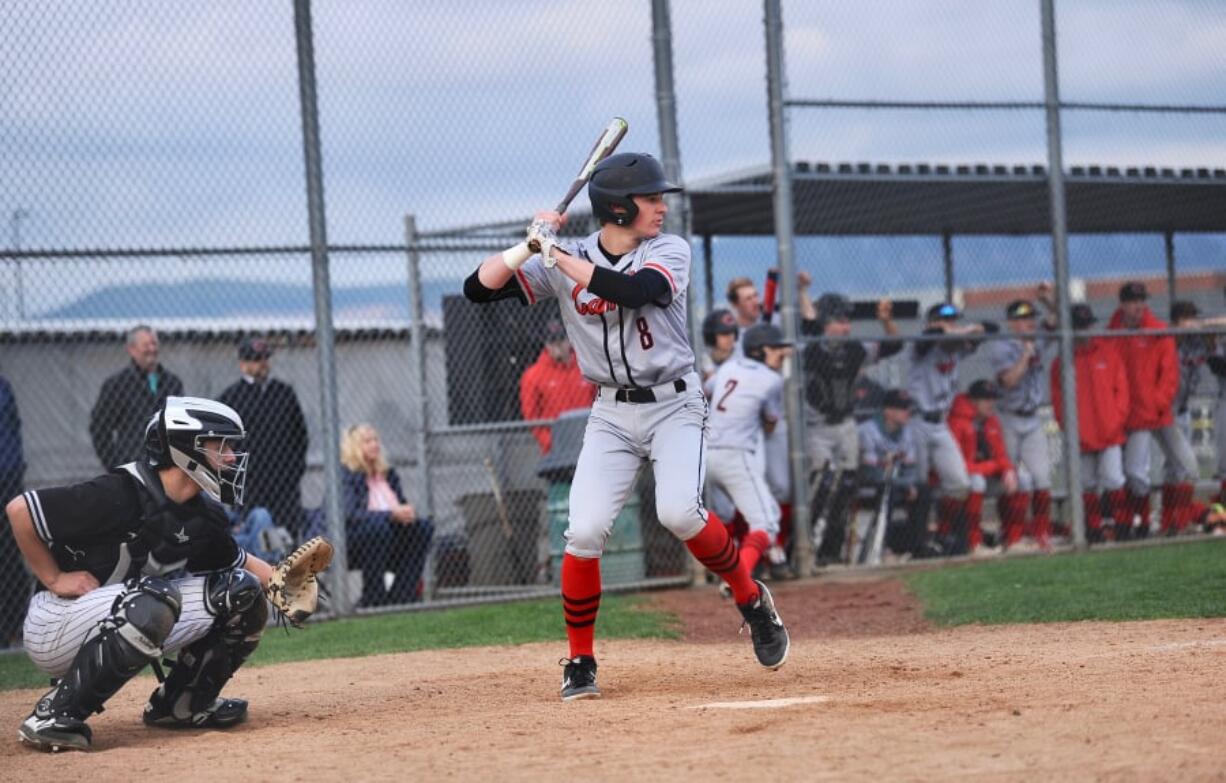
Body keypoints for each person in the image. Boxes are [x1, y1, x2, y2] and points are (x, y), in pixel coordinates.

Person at [462, 151, 789, 701]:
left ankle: (750, 597)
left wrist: (556, 255)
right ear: (617, 208)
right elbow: (478, 289)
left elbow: (633, 291)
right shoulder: (567, 256)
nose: (661, 207)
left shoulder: (669, 250)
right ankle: (580, 661)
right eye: (650, 199)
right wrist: (528, 245)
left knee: (679, 512)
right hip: (611, 412)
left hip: (674, 405)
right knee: (584, 531)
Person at [8, 397, 274, 752]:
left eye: (231, 447)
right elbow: (20, 511)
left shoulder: (203, 515)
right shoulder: (119, 492)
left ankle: (181, 705)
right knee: (156, 597)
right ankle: (52, 715)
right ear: (184, 447)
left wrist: (285, 581)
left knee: (242, 591)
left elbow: (237, 562)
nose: (230, 457)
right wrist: (55, 578)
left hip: (129, 609)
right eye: (220, 445)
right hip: (56, 622)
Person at [798, 289, 901, 565]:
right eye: (838, 322)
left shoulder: (854, 349)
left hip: (845, 426)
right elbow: (807, 324)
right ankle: (809, 549)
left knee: (845, 486)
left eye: (847, 322)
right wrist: (803, 292)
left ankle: (833, 551)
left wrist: (886, 321)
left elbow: (895, 345)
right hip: (816, 428)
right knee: (819, 487)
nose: (845, 327)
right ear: (825, 324)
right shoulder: (808, 349)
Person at [1108, 282, 1194, 539]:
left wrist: (1157, 404)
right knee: (1135, 472)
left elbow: (1169, 376)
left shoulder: (1157, 331)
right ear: (1122, 304)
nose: (1138, 306)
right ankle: (1142, 523)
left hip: (1159, 413)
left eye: (1141, 300)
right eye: (1133, 301)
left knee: (1186, 465)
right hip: (1132, 416)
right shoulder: (1112, 334)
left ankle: (1174, 521)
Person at [705, 324, 792, 579]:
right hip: (735, 456)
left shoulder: (729, 367)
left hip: (705, 455)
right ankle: (739, 577)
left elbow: (707, 389)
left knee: (752, 514)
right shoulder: (772, 380)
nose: (781, 354)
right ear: (760, 350)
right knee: (766, 522)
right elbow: (771, 422)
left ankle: (769, 563)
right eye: (776, 349)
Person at [906, 302, 986, 555]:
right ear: (932, 322)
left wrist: (970, 329)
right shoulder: (923, 344)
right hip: (917, 421)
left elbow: (989, 330)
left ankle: (956, 540)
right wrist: (944, 330)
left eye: (954, 321)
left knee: (960, 483)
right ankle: (917, 545)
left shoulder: (957, 347)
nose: (951, 325)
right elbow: (930, 338)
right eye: (945, 321)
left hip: (940, 424)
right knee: (918, 485)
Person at [1051, 305, 1131, 542]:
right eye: (1079, 327)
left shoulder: (1108, 353)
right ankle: (1094, 528)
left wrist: (1115, 421)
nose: (1084, 331)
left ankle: (1122, 524)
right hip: (1081, 436)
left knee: (1114, 479)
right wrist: (1071, 429)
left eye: (1087, 326)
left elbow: (1122, 392)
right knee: (1086, 485)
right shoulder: (1062, 361)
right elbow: (1058, 401)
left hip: (1109, 433)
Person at [218, 336, 308, 541]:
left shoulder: (283, 393)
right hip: (250, 484)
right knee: (257, 536)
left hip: (284, 484)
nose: (263, 364)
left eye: (265, 358)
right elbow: (222, 444)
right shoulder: (231, 397)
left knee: (287, 537)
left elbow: (300, 436)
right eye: (257, 359)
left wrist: (294, 471)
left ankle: (288, 572)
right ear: (243, 365)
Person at [339, 423, 435, 607]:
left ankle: (403, 596)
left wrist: (406, 512)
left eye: (376, 440)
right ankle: (374, 599)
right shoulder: (346, 474)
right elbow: (350, 515)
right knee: (378, 528)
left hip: (391, 534)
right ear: (354, 447)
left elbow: (399, 504)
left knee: (423, 527)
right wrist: (390, 515)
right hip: (355, 539)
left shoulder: (388, 474)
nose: (375, 444)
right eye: (368, 441)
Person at [988, 294, 1056, 549]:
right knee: (1012, 479)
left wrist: (1048, 301)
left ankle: (1041, 534)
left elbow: (1058, 320)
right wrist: (1026, 355)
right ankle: (1012, 535)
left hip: (1032, 418)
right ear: (1012, 322)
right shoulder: (1002, 346)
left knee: (1042, 478)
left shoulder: (1037, 339)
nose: (1029, 323)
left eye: (1030, 318)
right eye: (1023, 319)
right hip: (1008, 417)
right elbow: (1009, 380)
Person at [89, 325, 185, 469]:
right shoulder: (117, 385)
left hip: (166, 466)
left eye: (154, 344)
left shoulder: (172, 382)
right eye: (146, 345)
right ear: (131, 349)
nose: (151, 349)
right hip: (133, 466)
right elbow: (99, 428)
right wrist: (116, 465)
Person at [948, 380, 1020, 555]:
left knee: (1022, 479)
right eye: (985, 399)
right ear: (973, 401)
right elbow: (960, 468)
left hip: (986, 474)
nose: (991, 403)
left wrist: (1008, 470)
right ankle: (974, 543)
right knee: (976, 481)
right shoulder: (957, 422)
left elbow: (1001, 454)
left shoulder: (992, 421)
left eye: (993, 399)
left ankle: (1012, 540)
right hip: (960, 482)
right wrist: (995, 466)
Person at [856, 389, 930, 558]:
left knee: (923, 490)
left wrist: (909, 484)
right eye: (902, 409)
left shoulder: (907, 431)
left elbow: (910, 467)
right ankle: (882, 546)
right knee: (887, 491)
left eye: (908, 408)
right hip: (871, 484)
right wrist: (903, 484)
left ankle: (917, 547)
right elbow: (871, 472)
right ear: (887, 412)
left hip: (896, 483)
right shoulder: (867, 430)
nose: (907, 412)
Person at [518, 320, 595, 454]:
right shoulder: (533, 375)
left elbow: (599, 401)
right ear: (546, 345)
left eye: (561, 340)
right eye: (552, 342)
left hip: (590, 442)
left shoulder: (586, 367)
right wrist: (552, 444)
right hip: (557, 449)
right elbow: (532, 418)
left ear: (569, 340)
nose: (557, 346)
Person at [0, 371, 30, 646]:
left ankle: (14, 627)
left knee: (12, 550)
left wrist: (18, 467)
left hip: (8, 476)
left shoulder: (4, 386)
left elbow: (14, 429)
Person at [700, 308, 739, 389]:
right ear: (712, 336)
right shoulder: (706, 357)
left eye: (732, 332)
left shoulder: (741, 356)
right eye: (724, 333)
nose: (730, 337)